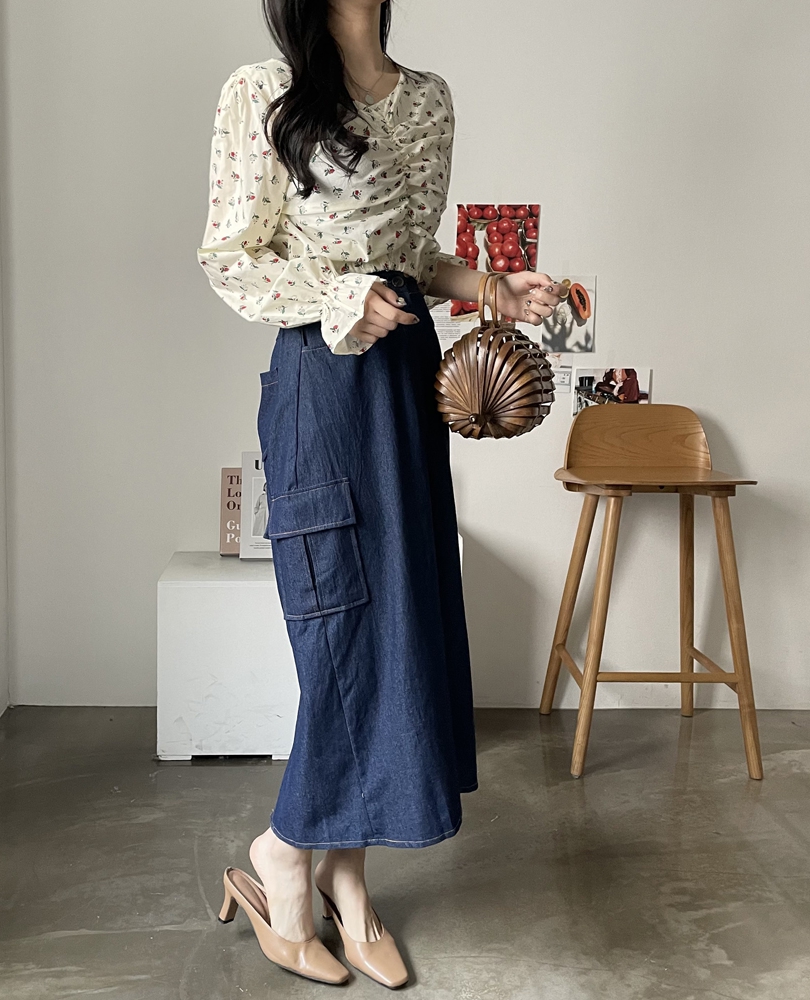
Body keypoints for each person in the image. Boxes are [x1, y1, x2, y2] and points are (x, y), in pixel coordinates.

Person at [196, 0, 561, 987]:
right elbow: (231, 255)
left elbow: (408, 255)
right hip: (321, 384)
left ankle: (345, 880)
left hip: (405, 382)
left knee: (398, 629)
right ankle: (283, 854)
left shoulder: (428, 100)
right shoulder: (263, 92)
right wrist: (335, 297)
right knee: (344, 631)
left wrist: (488, 289)